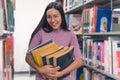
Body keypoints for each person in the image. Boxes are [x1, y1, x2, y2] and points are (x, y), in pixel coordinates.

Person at [25, 1, 82, 80]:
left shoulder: (70, 35)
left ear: (61, 16)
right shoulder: (40, 33)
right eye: (49, 17)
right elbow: (28, 57)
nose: (52, 20)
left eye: (55, 16)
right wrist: (40, 70)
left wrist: (60, 74)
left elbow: (79, 61)